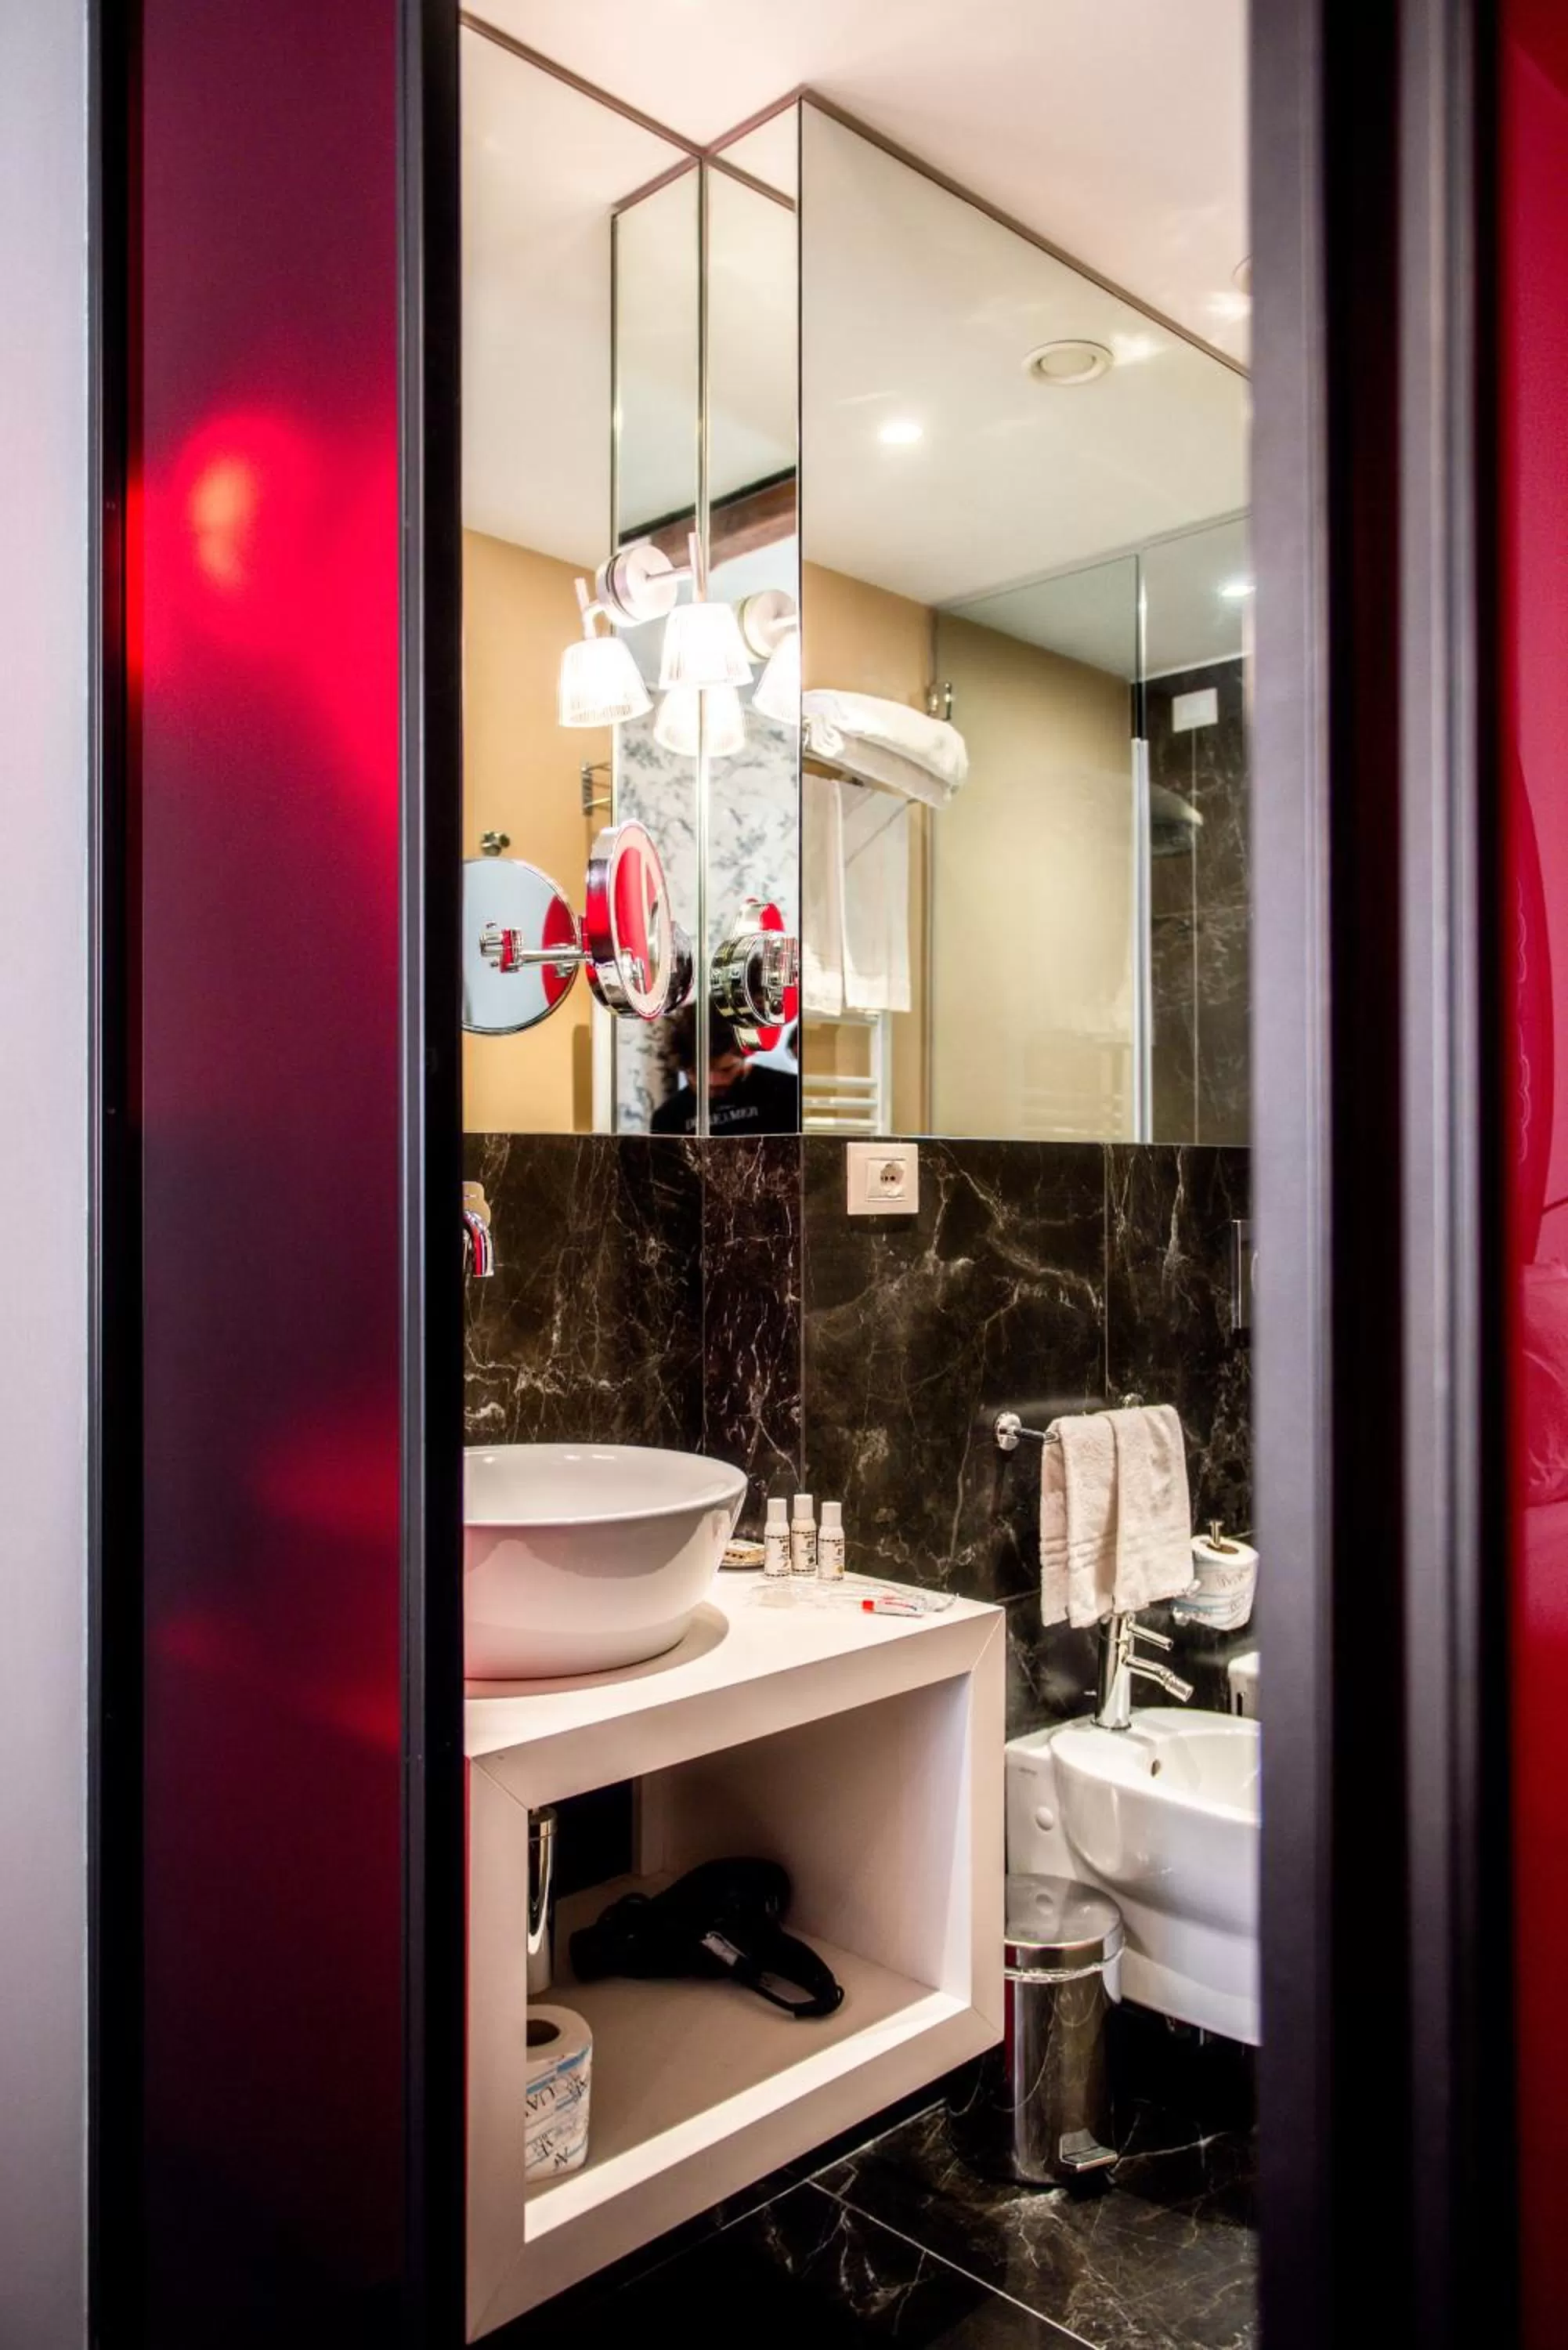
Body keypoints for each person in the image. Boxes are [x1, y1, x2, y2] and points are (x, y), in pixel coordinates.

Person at [650, 1006, 800, 1135]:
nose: (713, 1081)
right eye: (698, 1072)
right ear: (682, 1068)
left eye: (726, 1070)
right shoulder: (668, 1118)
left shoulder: (790, 1092)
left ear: (745, 1056)